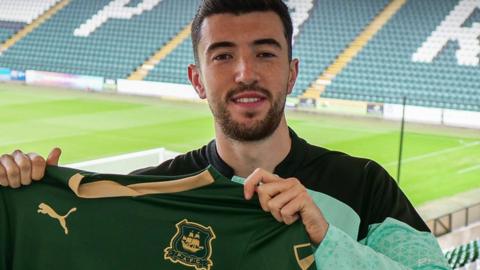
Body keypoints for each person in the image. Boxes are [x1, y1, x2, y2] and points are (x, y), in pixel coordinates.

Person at [0, 0, 450, 269]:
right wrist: (27, 202)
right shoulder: (149, 192)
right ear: (197, 80)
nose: (245, 73)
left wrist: (327, 240)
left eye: (265, 53)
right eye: (222, 56)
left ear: (292, 74)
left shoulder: (364, 185)